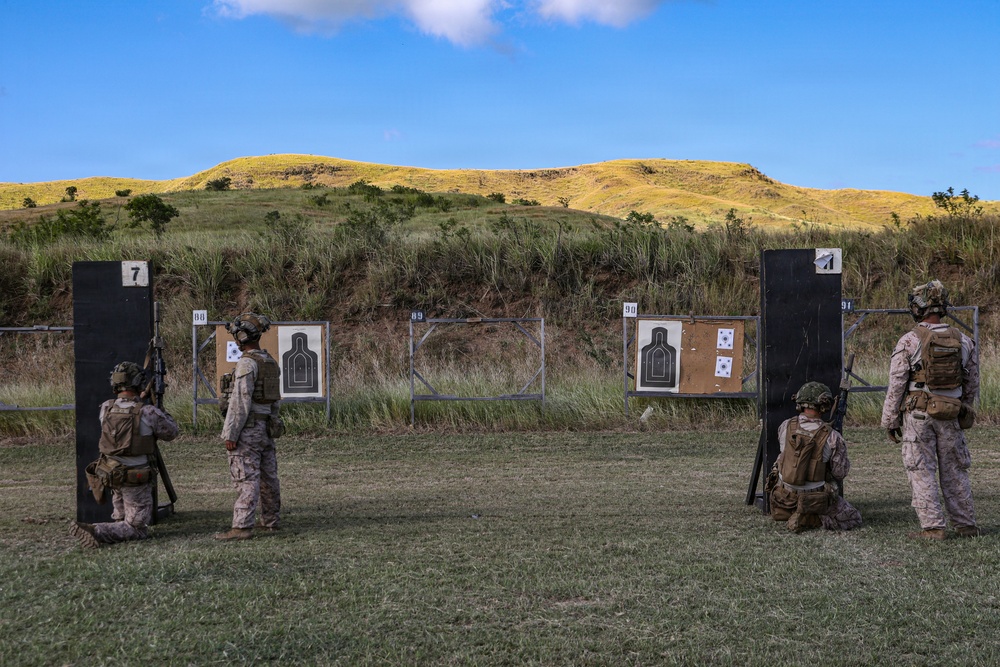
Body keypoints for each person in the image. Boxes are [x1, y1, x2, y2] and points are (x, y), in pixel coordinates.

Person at [880, 280, 980, 540]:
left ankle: (934, 527)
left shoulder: (910, 340)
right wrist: (963, 407)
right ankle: (965, 524)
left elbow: (897, 384)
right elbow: (972, 383)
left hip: (918, 415)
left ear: (917, 308)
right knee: (955, 469)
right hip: (951, 414)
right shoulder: (965, 340)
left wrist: (890, 420)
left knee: (921, 470)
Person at [70, 362, 178, 548]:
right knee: (137, 529)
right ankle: (95, 530)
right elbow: (171, 432)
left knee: (121, 517)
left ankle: (116, 525)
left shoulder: (106, 408)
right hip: (135, 477)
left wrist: (140, 399)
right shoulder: (148, 412)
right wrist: (160, 409)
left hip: (111, 473)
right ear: (138, 383)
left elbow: (126, 410)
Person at [215, 312, 284, 541]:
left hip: (248, 428)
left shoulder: (246, 363)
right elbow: (274, 401)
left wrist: (231, 433)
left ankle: (242, 526)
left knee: (246, 477)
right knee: (268, 477)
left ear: (241, 337)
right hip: (266, 428)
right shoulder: (270, 362)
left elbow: (239, 402)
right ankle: (271, 520)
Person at [766, 381, 862, 533]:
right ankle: (812, 519)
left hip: (784, 495)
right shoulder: (832, 437)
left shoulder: (785, 426)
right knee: (854, 517)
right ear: (824, 406)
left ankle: (791, 512)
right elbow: (840, 473)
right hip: (814, 498)